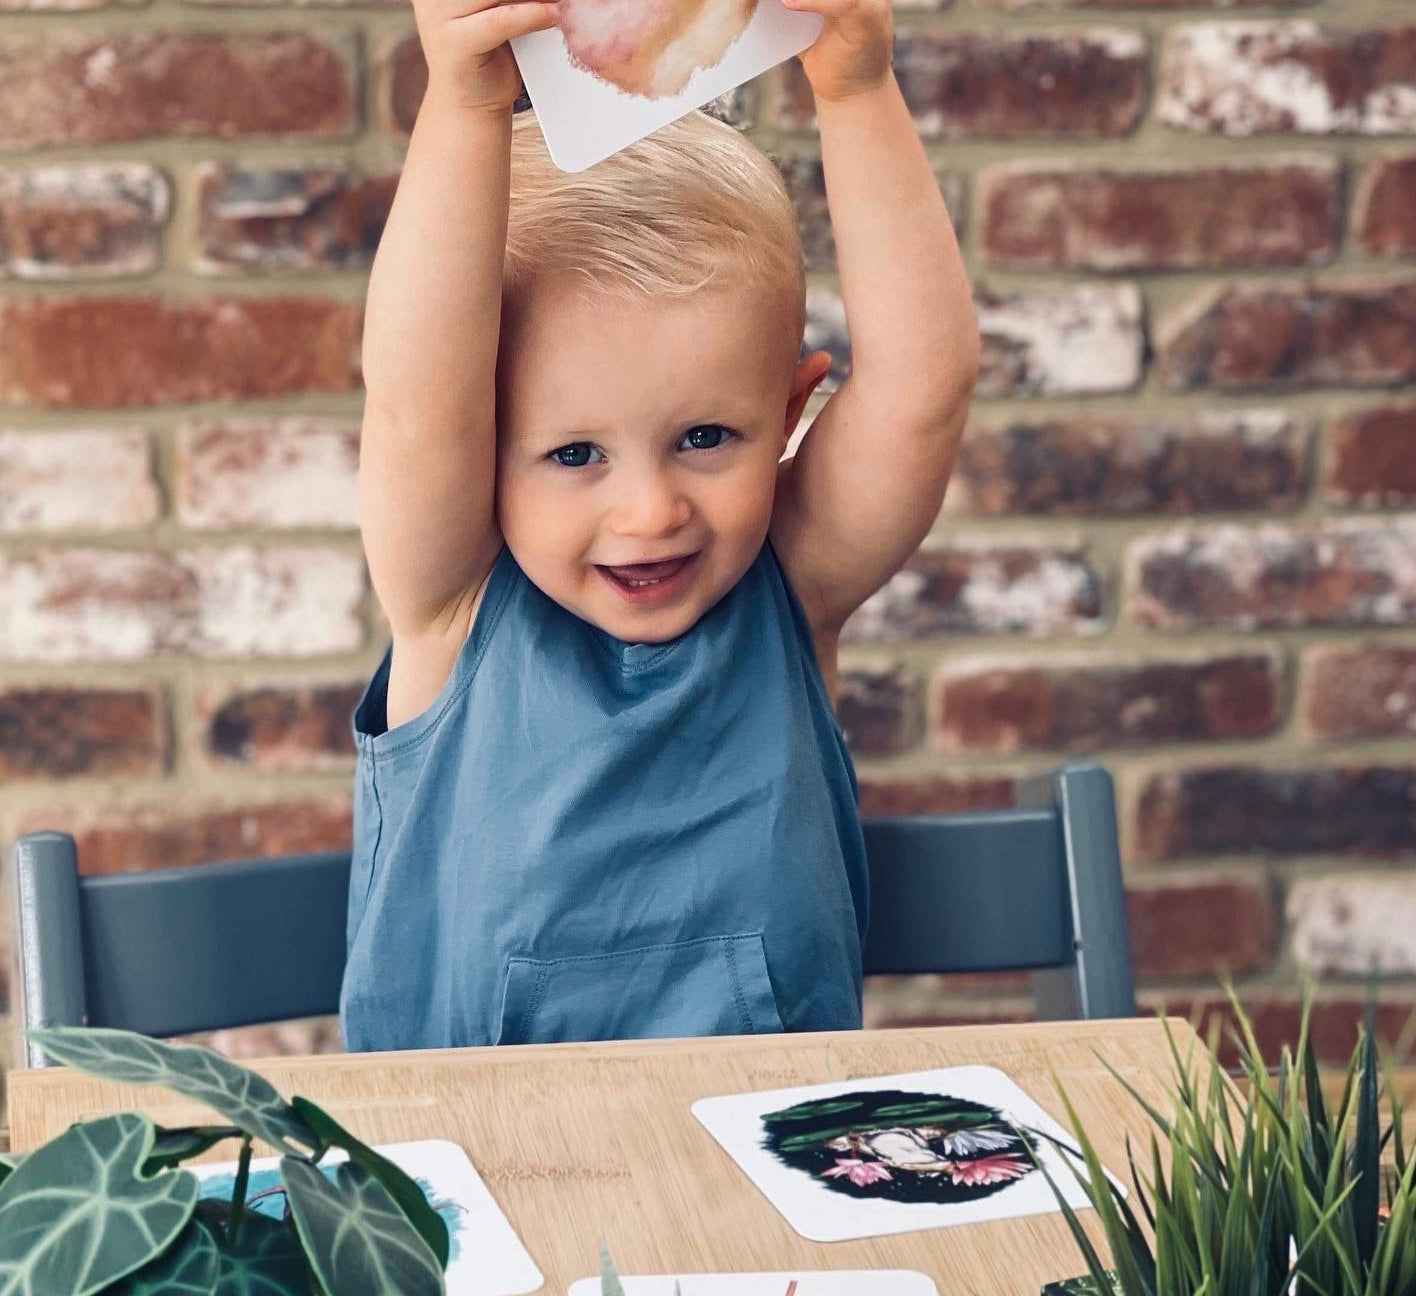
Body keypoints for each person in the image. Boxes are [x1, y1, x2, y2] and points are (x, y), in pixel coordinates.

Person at [339, 0, 981, 1051]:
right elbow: (418, 400)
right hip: (472, 1188)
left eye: (707, 438)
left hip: (761, 1186)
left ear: (788, 412)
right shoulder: (452, 602)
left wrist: (856, 94)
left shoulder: (793, 582)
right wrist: (465, 104)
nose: (651, 512)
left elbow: (924, 389)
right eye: (574, 454)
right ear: (482, 442)